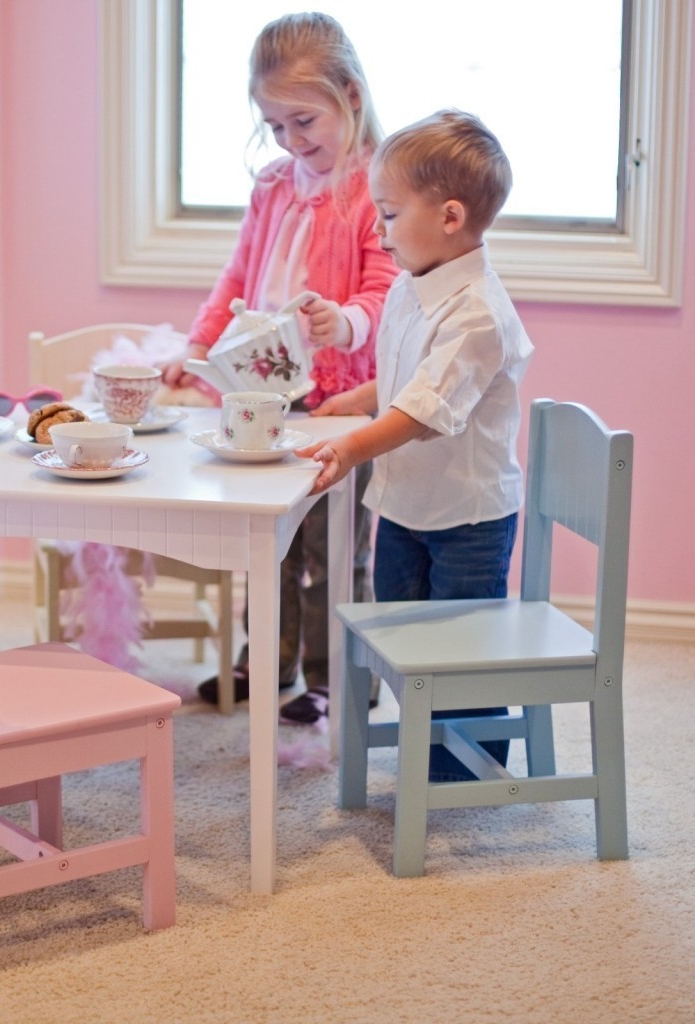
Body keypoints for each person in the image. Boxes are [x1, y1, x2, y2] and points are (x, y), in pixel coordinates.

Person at [163, 11, 398, 720]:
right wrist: (198, 346)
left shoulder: (374, 190)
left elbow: (388, 288)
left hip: (336, 401)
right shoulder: (271, 187)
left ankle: (333, 675)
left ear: (349, 97)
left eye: (305, 121)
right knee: (266, 538)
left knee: (333, 546)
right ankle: (266, 659)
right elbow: (236, 278)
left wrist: (345, 319)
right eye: (276, 127)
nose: (293, 141)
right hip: (262, 396)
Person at [298, 108, 533, 778]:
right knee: (406, 636)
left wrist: (352, 446)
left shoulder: (478, 312)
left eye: (392, 214)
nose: (380, 229)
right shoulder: (411, 285)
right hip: (405, 503)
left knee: (459, 648)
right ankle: (426, 747)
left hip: (466, 515)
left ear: (450, 217)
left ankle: (466, 776)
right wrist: (363, 398)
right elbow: (409, 376)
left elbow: (429, 411)